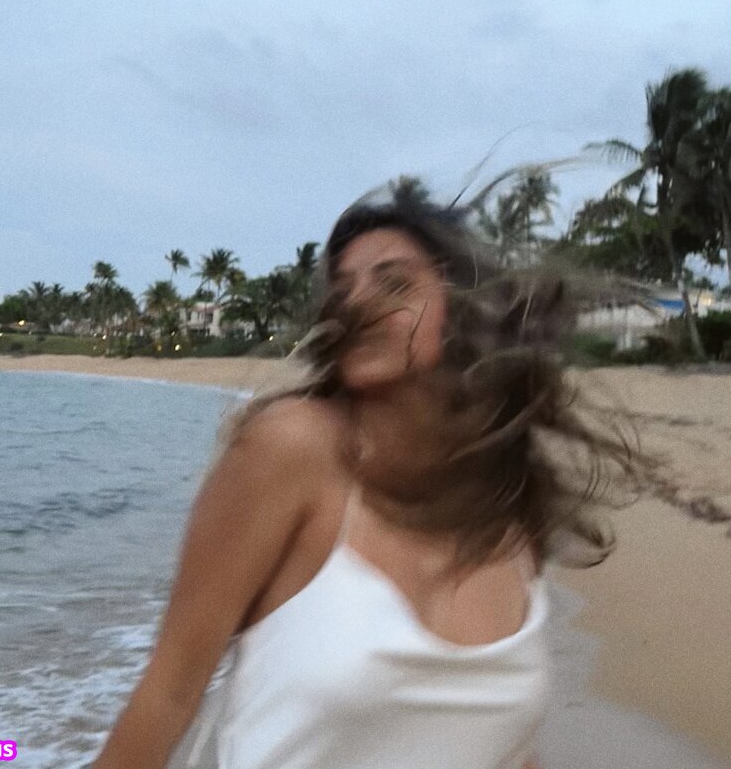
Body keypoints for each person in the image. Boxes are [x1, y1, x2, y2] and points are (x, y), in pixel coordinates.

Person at [95, 182, 638, 769]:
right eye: (343, 289)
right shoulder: (292, 448)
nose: (358, 302)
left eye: (395, 283)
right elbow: (168, 694)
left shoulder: (506, 502)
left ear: (463, 307)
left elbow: (502, 748)